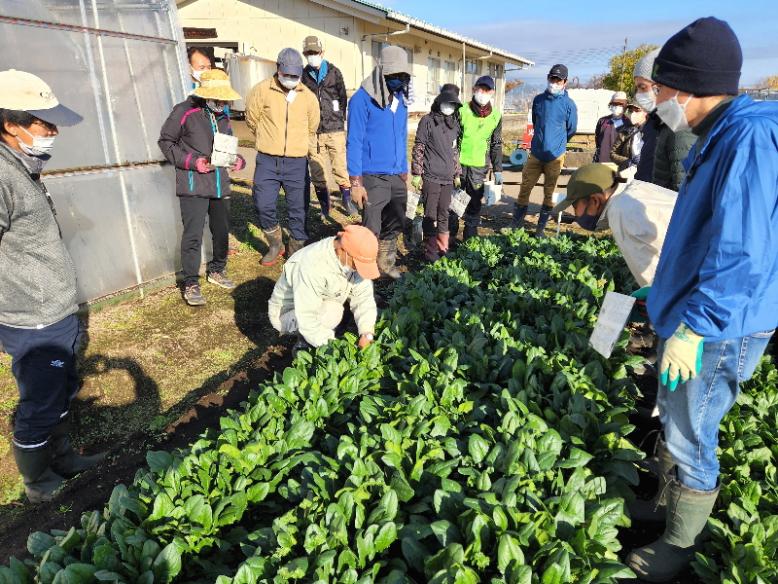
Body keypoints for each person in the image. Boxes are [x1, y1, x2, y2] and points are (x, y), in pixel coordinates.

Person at [624, 17, 778, 582]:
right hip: (697, 311)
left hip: (719, 327)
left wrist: (693, 326)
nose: (656, 99)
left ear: (690, 86)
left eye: (661, 89)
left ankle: (678, 546)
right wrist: (663, 290)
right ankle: (666, 507)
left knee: (692, 433)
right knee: (680, 421)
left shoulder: (749, 139)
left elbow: (742, 252)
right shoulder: (724, 133)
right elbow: (705, 231)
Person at [0, 69, 105, 503]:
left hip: (53, 308)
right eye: (44, 123)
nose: (53, 131)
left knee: (60, 388)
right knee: (40, 400)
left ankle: (61, 455)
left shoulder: (23, 166)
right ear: (11, 124)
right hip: (32, 316)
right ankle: (38, 482)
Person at [158, 70, 244, 306]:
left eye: (225, 100)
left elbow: (229, 147)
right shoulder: (184, 112)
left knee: (221, 230)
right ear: (206, 95)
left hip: (219, 184)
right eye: (220, 99)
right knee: (193, 234)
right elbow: (165, 142)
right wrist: (191, 162)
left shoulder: (223, 116)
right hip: (194, 184)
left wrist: (238, 161)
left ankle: (217, 269)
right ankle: (191, 282)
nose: (223, 103)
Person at [246, 48, 320, 266]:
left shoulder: (307, 96)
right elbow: (252, 119)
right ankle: (275, 244)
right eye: (287, 74)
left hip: (297, 162)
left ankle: (296, 250)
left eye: (295, 76)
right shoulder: (261, 90)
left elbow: (312, 126)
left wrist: (298, 145)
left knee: (299, 208)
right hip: (267, 160)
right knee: (263, 203)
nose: (291, 80)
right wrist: (268, 138)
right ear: (278, 69)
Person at [550, 163, 676, 287]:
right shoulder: (636, 189)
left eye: (575, 206)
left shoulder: (621, 212)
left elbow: (658, 285)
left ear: (595, 200)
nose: (575, 214)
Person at [347, 45, 411, 279]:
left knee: (396, 217)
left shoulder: (400, 99)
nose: (399, 80)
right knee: (371, 226)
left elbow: (402, 135)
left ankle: (386, 261)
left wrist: (404, 170)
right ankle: (363, 273)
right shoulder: (361, 100)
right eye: (394, 76)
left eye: (403, 76)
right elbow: (353, 141)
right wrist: (355, 181)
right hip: (372, 173)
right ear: (381, 73)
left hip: (396, 173)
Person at [268, 224, 379, 350]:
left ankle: (324, 335)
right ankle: (303, 345)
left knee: (341, 308)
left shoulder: (349, 257)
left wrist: (367, 333)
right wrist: (335, 349)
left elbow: (364, 297)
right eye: (357, 264)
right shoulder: (313, 265)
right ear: (342, 249)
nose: (358, 268)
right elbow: (307, 317)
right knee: (333, 311)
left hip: (322, 300)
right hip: (288, 313)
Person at [513, 64, 577, 236]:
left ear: (565, 82)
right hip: (536, 153)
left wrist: (558, 143)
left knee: (549, 192)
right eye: (551, 78)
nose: (554, 82)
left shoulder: (569, 105)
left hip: (555, 156)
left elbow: (572, 129)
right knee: (525, 187)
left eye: (558, 80)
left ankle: (540, 229)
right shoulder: (538, 100)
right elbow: (536, 121)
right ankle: (516, 226)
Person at [300, 35, 357, 218]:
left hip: (335, 129)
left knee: (340, 168)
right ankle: (325, 207)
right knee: (317, 172)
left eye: (315, 52)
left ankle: (347, 201)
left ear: (322, 52)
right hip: (313, 132)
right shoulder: (303, 75)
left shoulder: (334, 72)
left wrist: (338, 118)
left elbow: (342, 98)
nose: (312, 55)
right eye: (308, 53)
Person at [633, 49, 697, 191]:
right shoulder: (657, 123)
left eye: (642, 87)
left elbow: (682, 189)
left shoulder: (679, 129)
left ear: (661, 86)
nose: (639, 94)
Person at [411, 87, 462, 261]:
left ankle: (443, 248)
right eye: (447, 103)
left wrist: (457, 173)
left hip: (447, 178)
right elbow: (419, 146)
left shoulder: (454, 124)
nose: (449, 107)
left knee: (444, 214)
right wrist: (417, 172)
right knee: (430, 214)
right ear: (439, 103)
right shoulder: (427, 121)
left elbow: (454, 151)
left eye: (453, 104)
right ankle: (430, 251)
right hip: (431, 176)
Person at [452, 76, 503, 242]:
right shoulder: (462, 111)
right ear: (474, 89)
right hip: (459, 166)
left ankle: (470, 237)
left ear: (492, 93)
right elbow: (453, 140)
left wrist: (498, 169)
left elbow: (496, 144)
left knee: (474, 203)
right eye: (480, 89)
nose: (483, 93)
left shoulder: (496, 116)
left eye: (487, 90)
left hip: (479, 167)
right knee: (454, 202)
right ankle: (450, 237)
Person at [610, 102, 648, 173]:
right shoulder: (625, 131)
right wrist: (627, 161)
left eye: (637, 111)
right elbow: (613, 153)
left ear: (646, 112)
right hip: (629, 173)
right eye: (631, 111)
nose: (633, 114)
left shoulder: (653, 132)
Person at [593, 90, 628, 163]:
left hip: (619, 164)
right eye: (614, 104)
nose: (616, 106)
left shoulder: (629, 123)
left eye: (620, 104)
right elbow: (598, 140)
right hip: (602, 162)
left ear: (624, 106)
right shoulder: (602, 121)